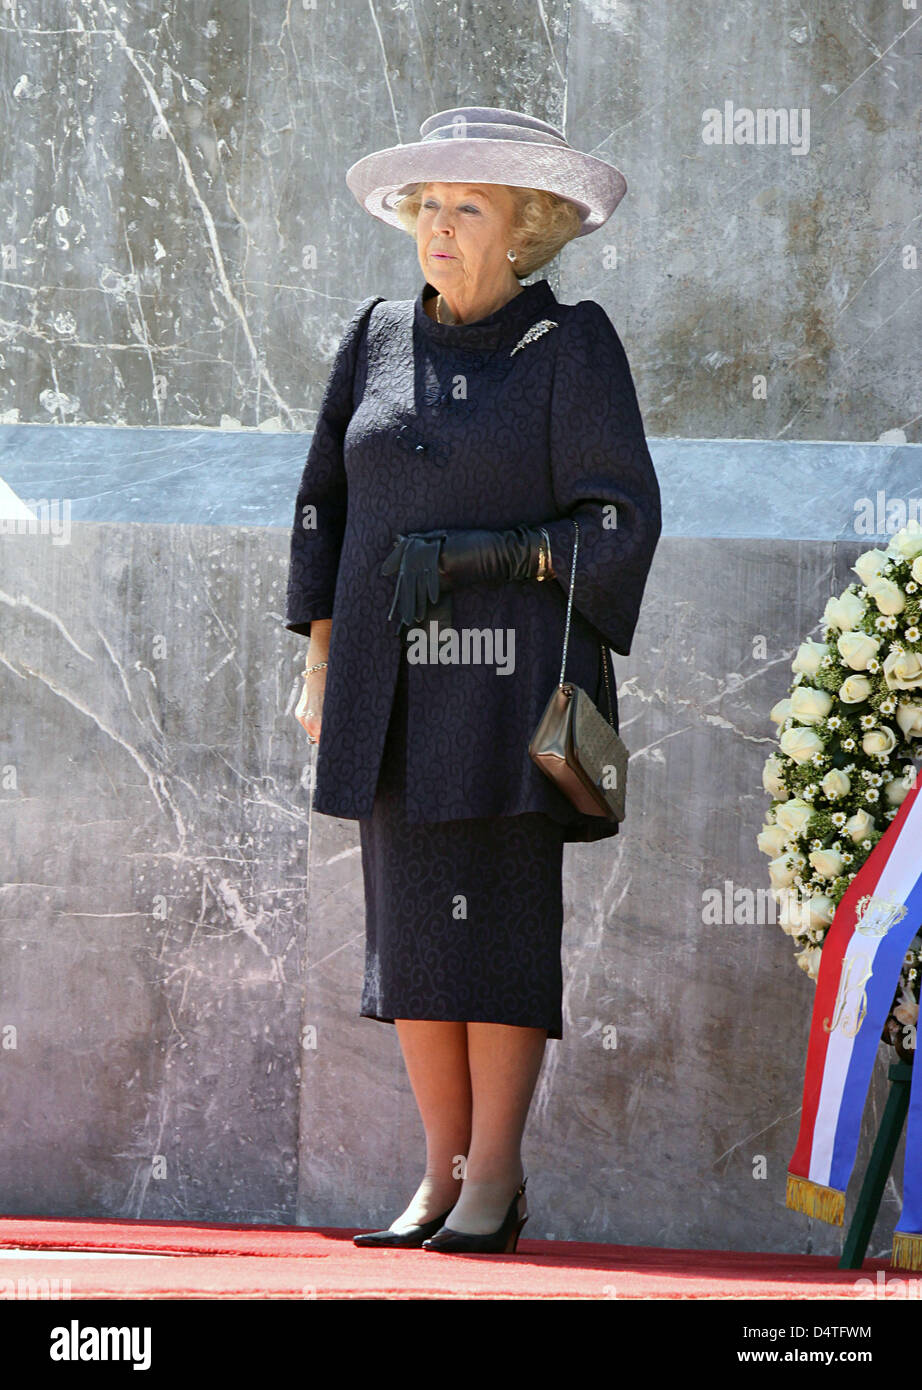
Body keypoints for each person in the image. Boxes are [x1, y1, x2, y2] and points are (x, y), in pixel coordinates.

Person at [284, 107, 662, 1254]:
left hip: (509, 691)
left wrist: (497, 555)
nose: (436, 228)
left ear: (527, 232)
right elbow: (321, 505)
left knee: (492, 934)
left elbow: (621, 517)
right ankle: (439, 1174)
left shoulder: (572, 346)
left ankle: (494, 1176)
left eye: (468, 209)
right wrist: (318, 658)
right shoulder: (375, 336)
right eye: (427, 206)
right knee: (407, 939)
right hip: (388, 691)